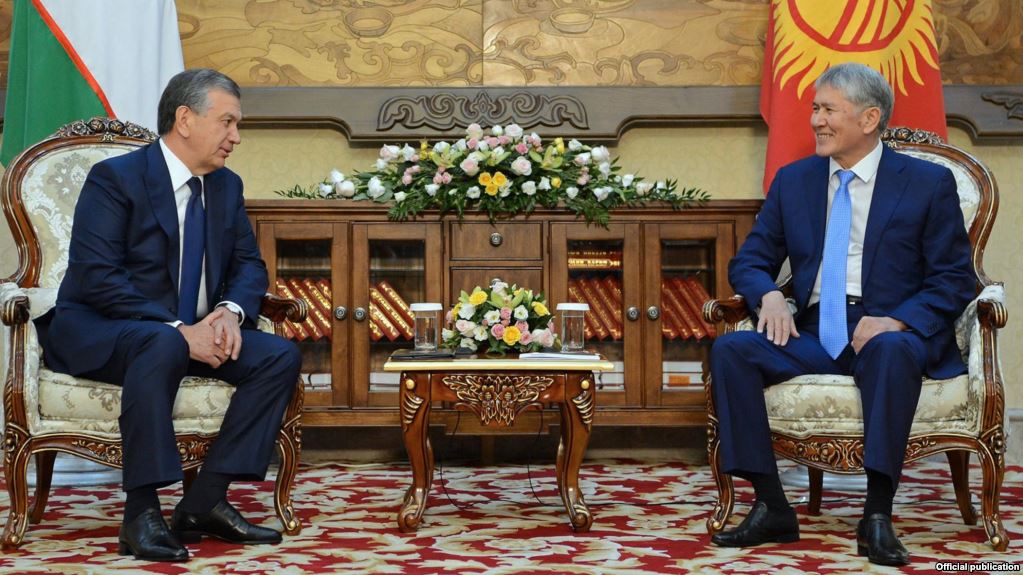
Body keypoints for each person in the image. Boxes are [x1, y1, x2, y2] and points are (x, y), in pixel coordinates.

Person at [708, 62, 974, 566]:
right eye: (815, 109)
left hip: (887, 332)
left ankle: (876, 515)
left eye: (829, 109)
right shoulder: (795, 181)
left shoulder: (926, 183)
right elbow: (750, 261)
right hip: (813, 332)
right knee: (732, 350)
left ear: (869, 118)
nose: (816, 120)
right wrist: (768, 296)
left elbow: (954, 278)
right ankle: (771, 504)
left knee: (893, 351)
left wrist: (897, 320)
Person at [34, 69, 302, 562]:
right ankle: (141, 513)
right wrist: (179, 329)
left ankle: (204, 503)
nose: (236, 137)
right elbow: (98, 277)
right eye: (227, 122)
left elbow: (249, 265)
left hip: (189, 334)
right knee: (162, 342)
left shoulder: (226, 186)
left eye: (237, 125)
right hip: (103, 330)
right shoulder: (116, 179)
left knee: (278, 355)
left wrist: (228, 312)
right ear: (185, 119)